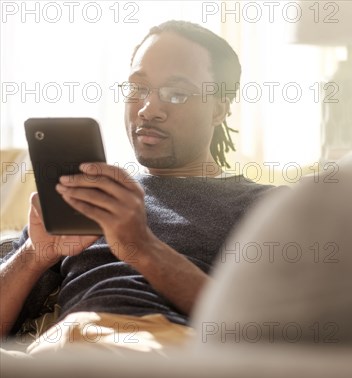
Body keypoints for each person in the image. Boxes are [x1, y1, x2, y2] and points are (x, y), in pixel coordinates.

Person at [0, 20, 277, 354]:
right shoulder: (91, 193)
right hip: (60, 347)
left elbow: (256, 328)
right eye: (137, 89)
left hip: (158, 348)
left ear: (219, 108)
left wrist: (141, 246)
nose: (148, 110)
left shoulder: (264, 205)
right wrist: (34, 255)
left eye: (176, 94)